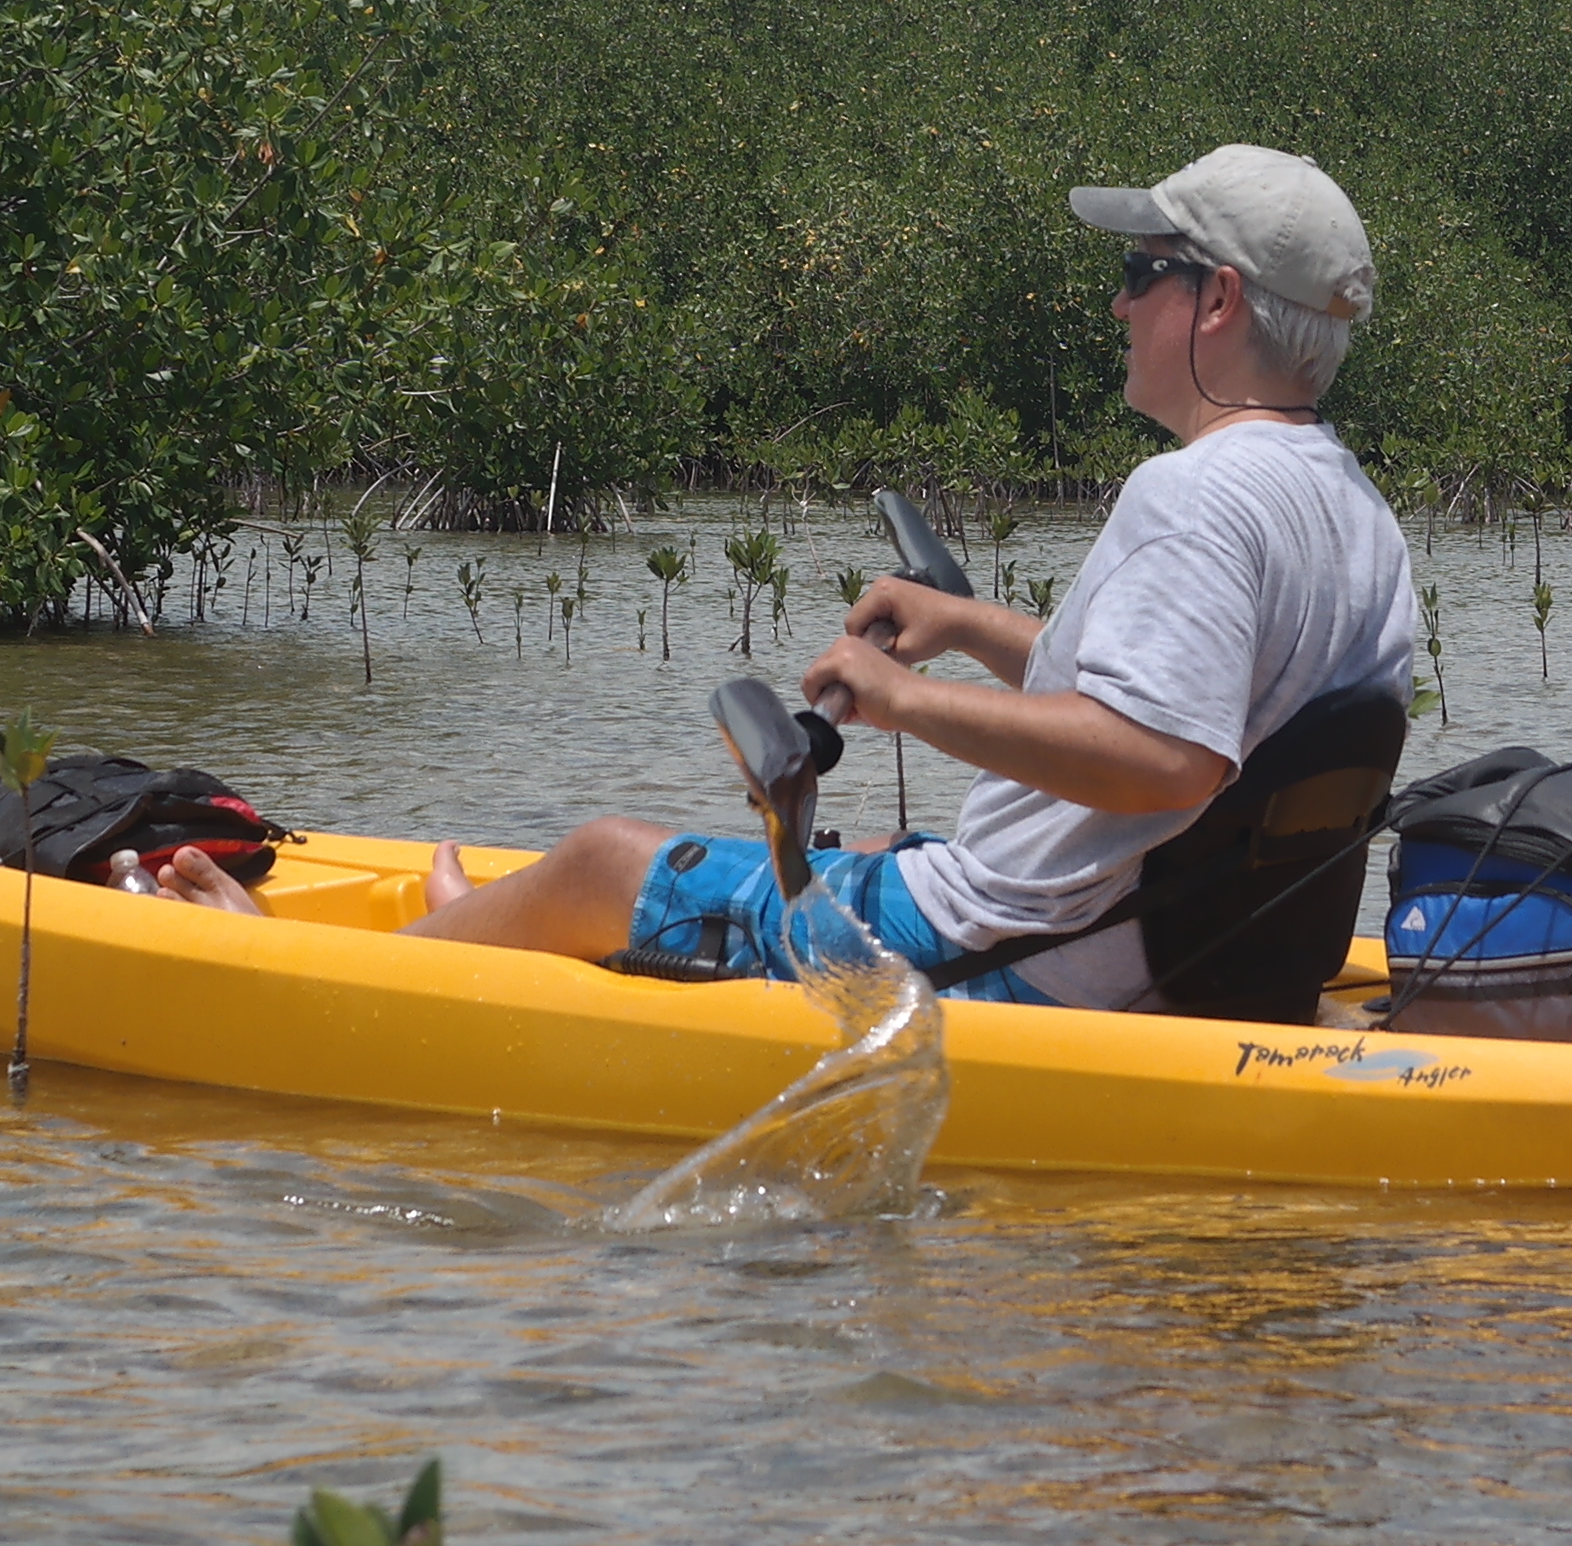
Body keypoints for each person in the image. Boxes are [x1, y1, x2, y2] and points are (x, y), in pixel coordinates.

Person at [397, 144, 1420, 1008]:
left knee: (603, 858)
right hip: (1187, 951)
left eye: (1144, 275)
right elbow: (1186, 702)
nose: (1117, 303)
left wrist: (906, 699)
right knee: (885, 840)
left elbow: (1166, 759)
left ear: (1220, 300)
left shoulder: (1192, 495)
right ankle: (491, 933)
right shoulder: (1350, 508)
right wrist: (971, 627)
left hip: (1032, 959)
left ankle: (410, 971)